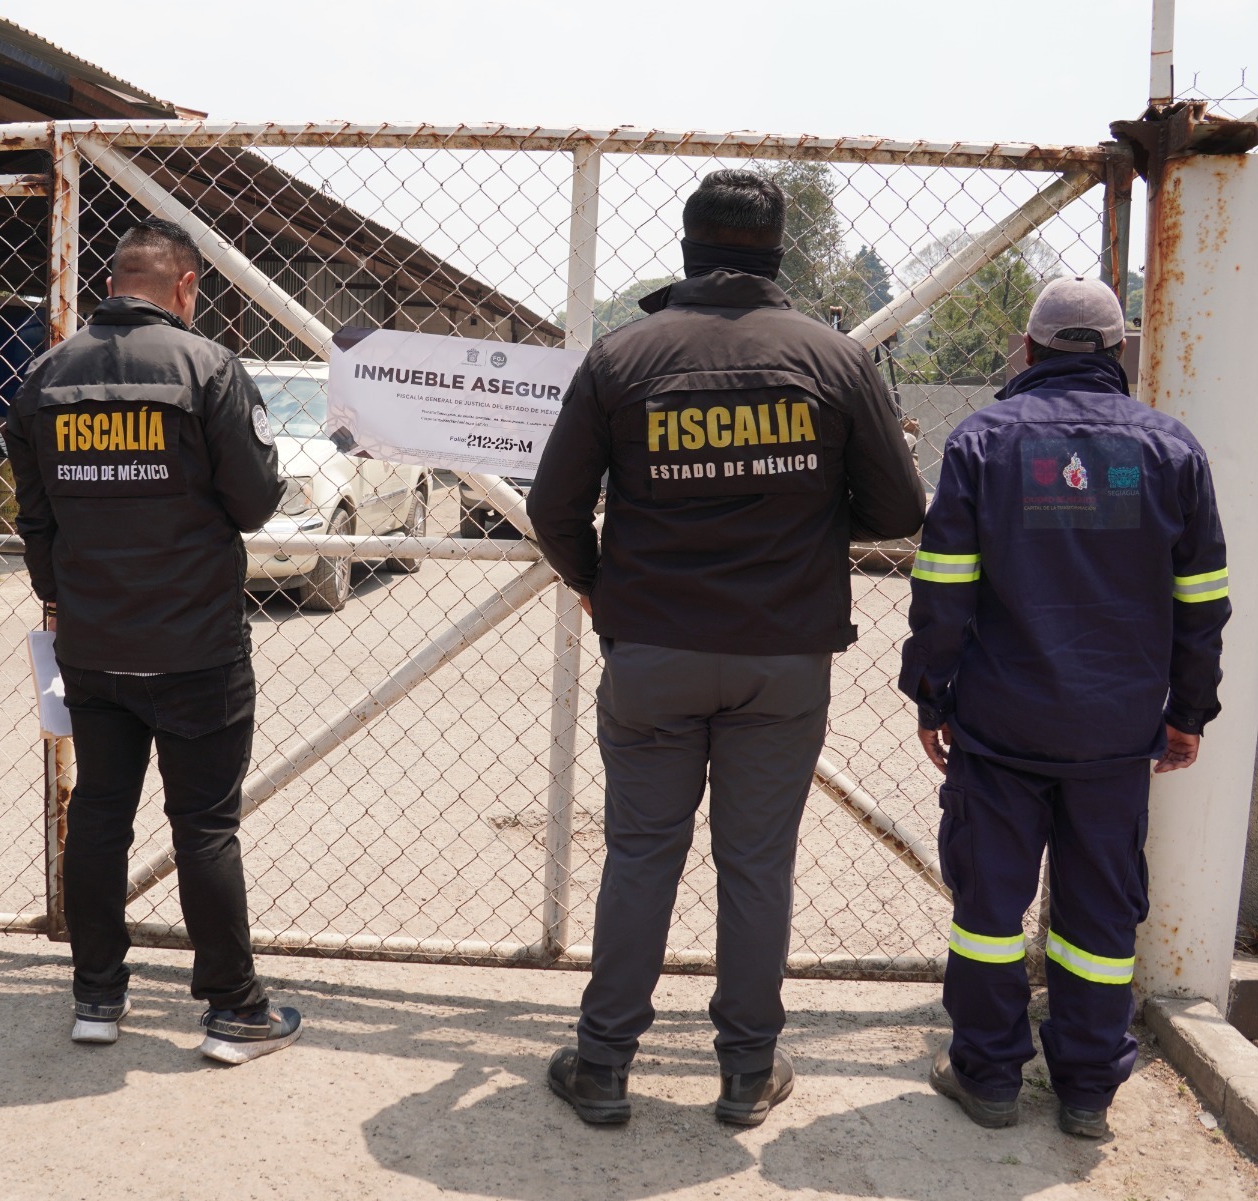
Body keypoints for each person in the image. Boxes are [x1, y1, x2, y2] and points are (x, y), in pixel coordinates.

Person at [527, 170, 926, 1126]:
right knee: (757, 862)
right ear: (777, 253)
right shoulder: (834, 359)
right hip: (781, 658)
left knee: (639, 856)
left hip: (653, 650)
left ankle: (605, 1064)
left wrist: (595, 583)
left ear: (687, 248)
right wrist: (808, 516)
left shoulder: (625, 356)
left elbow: (551, 506)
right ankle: (747, 1071)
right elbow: (902, 509)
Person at [899, 276, 1229, 1139]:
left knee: (989, 911)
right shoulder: (1172, 450)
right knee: (1099, 914)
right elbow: (1202, 599)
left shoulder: (983, 442)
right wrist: (1189, 710)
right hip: (1116, 734)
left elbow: (942, 590)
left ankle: (990, 1076)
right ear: (1117, 352)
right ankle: (1086, 1089)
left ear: (1031, 349)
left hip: (1001, 724)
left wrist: (930, 694)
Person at [5, 217, 301, 1062]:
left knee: (99, 810)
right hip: (196, 645)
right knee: (204, 824)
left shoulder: (43, 377)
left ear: (112, 283)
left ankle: (97, 996)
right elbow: (254, 504)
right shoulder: (208, 368)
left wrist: (62, 600)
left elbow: (33, 516)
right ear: (185, 286)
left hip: (94, 645)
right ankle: (234, 1011)